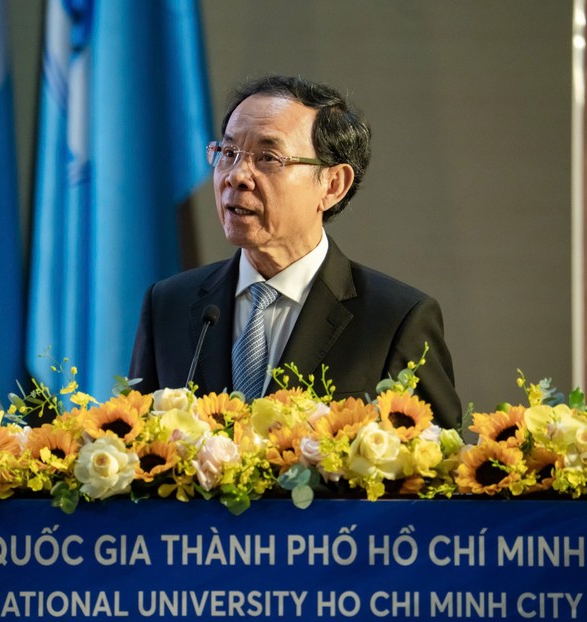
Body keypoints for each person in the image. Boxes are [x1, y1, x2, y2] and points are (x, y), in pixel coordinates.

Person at [129, 75, 462, 428]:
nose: (237, 176)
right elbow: (137, 448)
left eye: (269, 158)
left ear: (333, 185)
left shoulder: (395, 319)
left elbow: (436, 471)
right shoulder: (168, 305)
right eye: (228, 153)